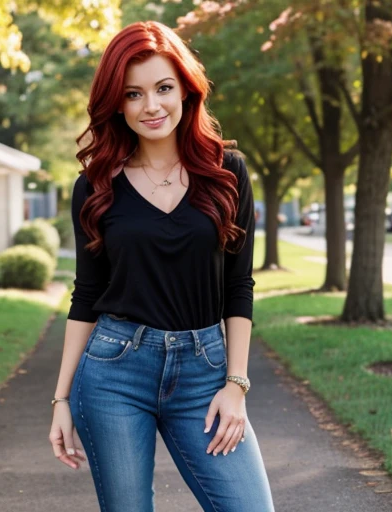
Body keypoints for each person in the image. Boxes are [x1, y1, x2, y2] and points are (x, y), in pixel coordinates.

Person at [49, 20, 275, 512]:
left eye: (163, 88)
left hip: (205, 371)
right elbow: (85, 296)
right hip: (114, 373)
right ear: (117, 102)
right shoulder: (95, 187)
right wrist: (61, 400)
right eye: (133, 94)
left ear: (186, 90)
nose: (151, 106)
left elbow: (240, 285)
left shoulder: (226, 172)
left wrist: (235, 385)